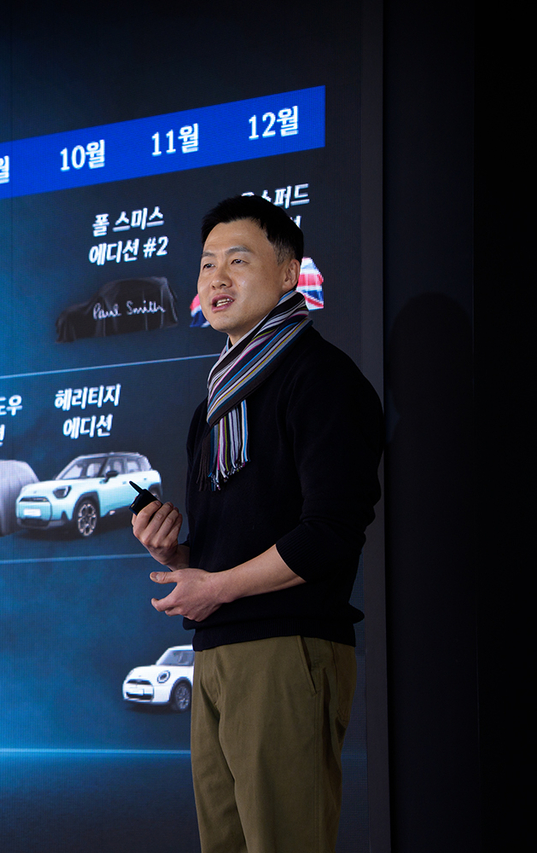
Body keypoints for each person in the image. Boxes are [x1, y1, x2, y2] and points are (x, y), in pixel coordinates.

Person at [132, 195, 383, 853]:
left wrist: (216, 586)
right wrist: (178, 550)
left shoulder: (320, 378)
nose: (215, 279)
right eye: (207, 264)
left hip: (286, 647)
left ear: (289, 272)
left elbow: (329, 531)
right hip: (215, 651)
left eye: (236, 261)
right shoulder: (215, 401)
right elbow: (227, 547)